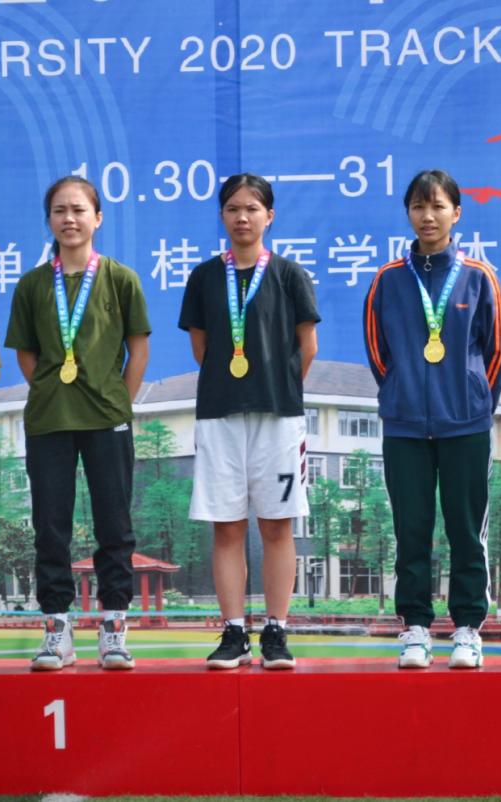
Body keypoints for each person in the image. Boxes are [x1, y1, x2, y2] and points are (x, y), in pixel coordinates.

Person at [363, 169, 501, 670]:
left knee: (467, 531)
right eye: (418, 206)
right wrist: (402, 393)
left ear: (456, 213)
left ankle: (467, 629)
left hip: (466, 425)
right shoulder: (388, 280)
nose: (428, 216)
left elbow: (496, 352)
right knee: (411, 530)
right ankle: (416, 629)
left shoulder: (479, 277)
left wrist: (473, 402)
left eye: (438, 206)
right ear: (408, 213)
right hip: (405, 426)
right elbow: (378, 353)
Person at [5, 176, 150, 671]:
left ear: (97, 218)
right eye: (60, 211)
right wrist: (54, 389)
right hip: (49, 420)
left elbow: (138, 349)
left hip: (108, 418)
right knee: (51, 527)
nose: (69, 219)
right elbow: (26, 354)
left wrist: (117, 400)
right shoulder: (32, 285)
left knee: (115, 525)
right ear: (49, 220)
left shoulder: (120, 279)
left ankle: (114, 630)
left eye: (79, 209)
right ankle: (57, 632)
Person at [179, 173, 319, 670]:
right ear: (222, 215)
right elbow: (201, 348)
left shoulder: (289, 275)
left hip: (278, 418)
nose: (242, 217)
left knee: (278, 526)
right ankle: (235, 631)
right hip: (219, 416)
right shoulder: (203, 277)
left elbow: (307, 347)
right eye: (233, 208)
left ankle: (276, 630)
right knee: (227, 527)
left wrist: (274, 387)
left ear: (269, 216)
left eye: (252, 208)